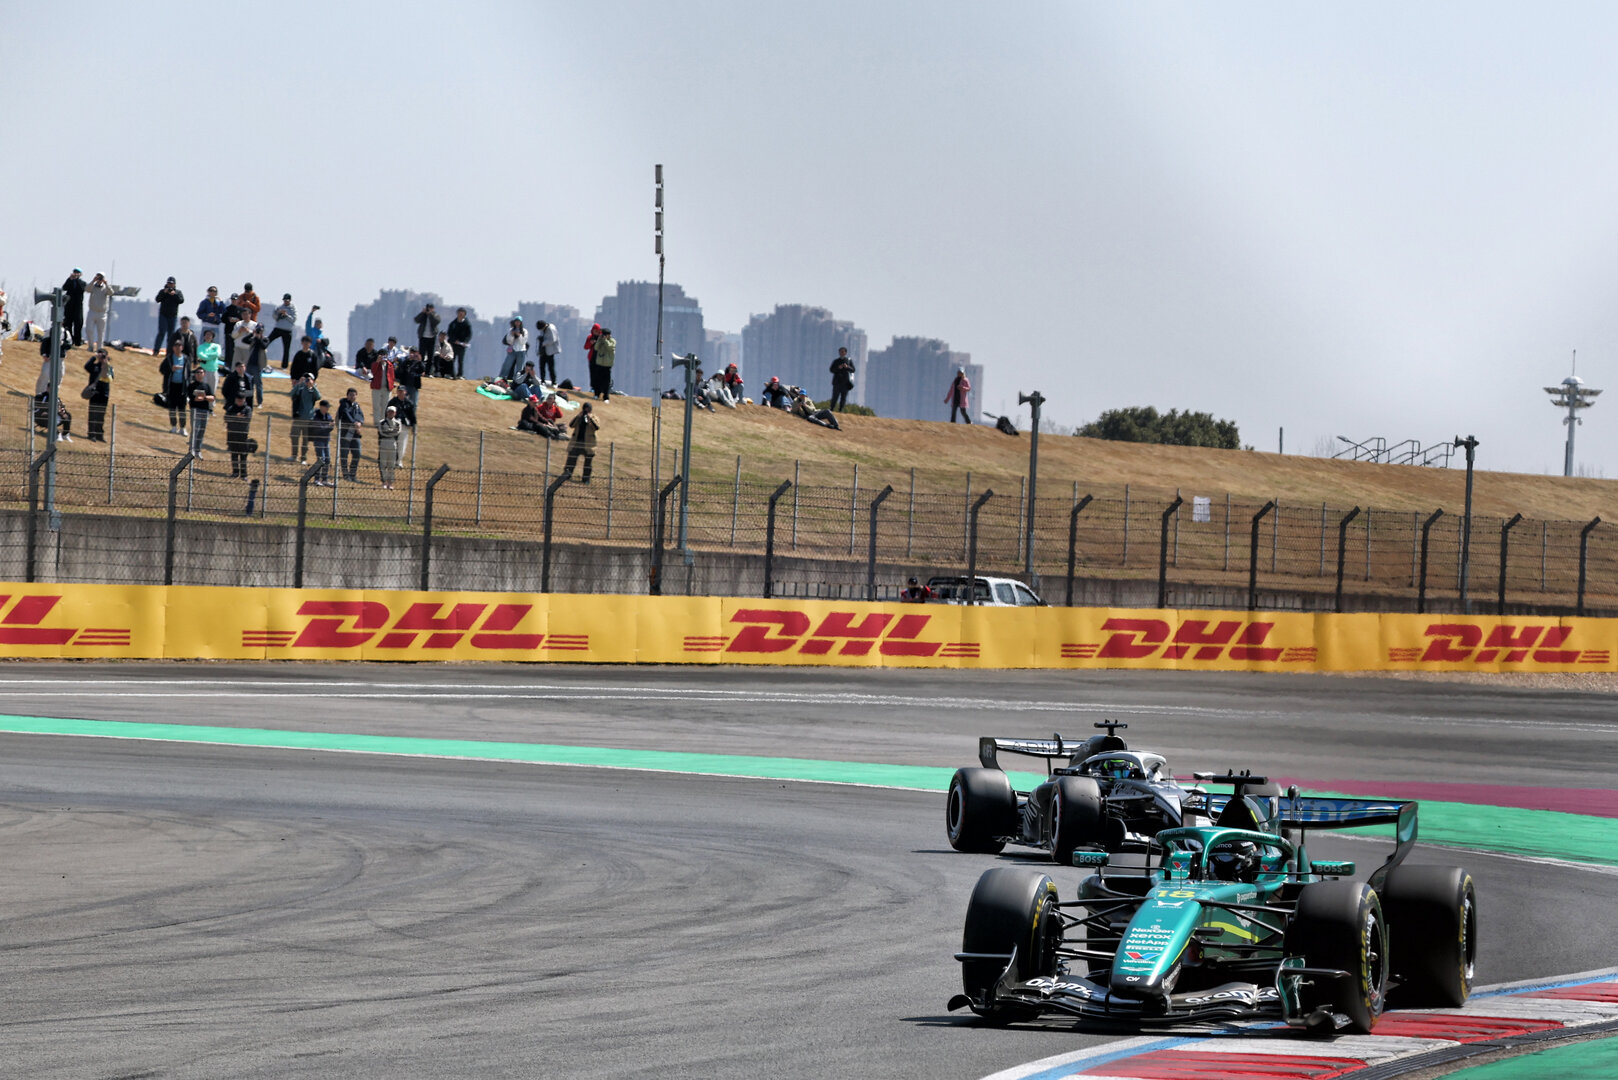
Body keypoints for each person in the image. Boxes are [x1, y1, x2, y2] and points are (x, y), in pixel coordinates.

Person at [559, 401, 599, 482]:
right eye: (585, 409)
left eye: (588, 409)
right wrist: (578, 416)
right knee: (571, 460)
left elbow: (596, 427)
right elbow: (571, 425)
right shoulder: (579, 417)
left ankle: (586, 480)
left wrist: (590, 418)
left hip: (588, 444)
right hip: (576, 442)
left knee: (588, 464)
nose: (586, 411)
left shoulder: (594, 417)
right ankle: (566, 475)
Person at [289, 372, 319, 462]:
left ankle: (303, 458)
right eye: (305, 378)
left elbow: (318, 397)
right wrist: (298, 384)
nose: (306, 380)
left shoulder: (313, 389)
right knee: (294, 436)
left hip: (308, 418)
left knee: (305, 439)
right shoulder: (300, 387)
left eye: (309, 378)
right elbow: (291, 394)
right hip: (298, 417)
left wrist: (312, 386)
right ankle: (294, 455)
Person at [83, 349, 112, 442]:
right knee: (93, 414)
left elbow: (110, 377)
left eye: (103, 355)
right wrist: (94, 357)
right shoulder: (94, 366)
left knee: (101, 415)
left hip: (104, 394)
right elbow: (86, 367)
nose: (101, 357)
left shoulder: (109, 367)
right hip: (94, 393)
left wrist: (106, 363)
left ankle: (99, 434)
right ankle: (91, 434)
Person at [161, 339, 189, 434]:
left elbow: (189, 373)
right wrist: (171, 369)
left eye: (179, 346)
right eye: (176, 346)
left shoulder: (186, 359)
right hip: (172, 386)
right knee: (172, 407)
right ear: (173, 348)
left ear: (182, 347)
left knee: (182, 408)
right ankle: (173, 426)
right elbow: (162, 369)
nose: (177, 348)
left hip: (182, 387)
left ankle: (183, 428)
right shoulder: (169, 358)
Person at [337, 387, 364, 482]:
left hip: (355, 433)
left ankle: (352, 474)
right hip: (346, 433)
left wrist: (359, 423)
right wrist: (354, 423)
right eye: (351, 395)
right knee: (344, 454)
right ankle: (345, 475)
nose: (352, 397)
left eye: (354, 395)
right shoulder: (343, 404)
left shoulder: (357, 406)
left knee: (357, 453)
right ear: (347, 396)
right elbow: (346, 414)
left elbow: (361, 416)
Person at [225, 392, 255, 478]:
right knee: (234, 454)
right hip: (232, 435)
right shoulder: (231, 408)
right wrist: (237, 416)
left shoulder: (247, 409)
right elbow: (226, 418)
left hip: (243, 435)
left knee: (243, 455)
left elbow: (247, 419)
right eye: (238, 400)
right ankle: (235, 472)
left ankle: (243, 474)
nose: (239, 402)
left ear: (244, 400)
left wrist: (235, 418)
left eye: (241, 401)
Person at [187, 366, 215, 457]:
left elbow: (212, 398)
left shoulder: (206, 386)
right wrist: (204, 398)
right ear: (195, 374)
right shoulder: (191, 386)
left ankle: (198, 450)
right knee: (195, 430)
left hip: (205, 410)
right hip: (195, 410)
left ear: (204, 374)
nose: (199, 374)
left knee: (202, 431)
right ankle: (191, 450)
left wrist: (204, 397)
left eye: (201, 372)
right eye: (197, 373)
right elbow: (194, 399)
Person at [153, 277, 184, 355]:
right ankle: (156, 350)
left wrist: (174, 295)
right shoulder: (162, 291)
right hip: (163, 315)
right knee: (161, 332)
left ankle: (169, 352)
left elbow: (181, 300)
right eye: (169, 283)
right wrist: (164, 293)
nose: (170, 285)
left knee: (171, 335)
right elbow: (157, 299)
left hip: (173, 316)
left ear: (174, 284)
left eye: (171, 284)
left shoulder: (178, 292)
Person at [307, 399, 334, 485]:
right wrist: (328, 426)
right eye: (326, 407)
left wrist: (328, 426)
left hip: (326, 440)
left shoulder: (328, 415)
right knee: (321, 459)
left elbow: (330, 426)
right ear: (321, 407)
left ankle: (325, 479)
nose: (328, 408)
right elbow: (319, 428)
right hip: (318, 440)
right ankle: (316, 479)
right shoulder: (316, 416)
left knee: (327, 460)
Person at [386, 384, 416, 464]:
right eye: (399, 391)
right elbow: (387, 413)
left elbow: (412, 416)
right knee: (393, 443)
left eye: (402, 391)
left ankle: (399, 461)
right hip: (393, 425)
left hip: (404, 426)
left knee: (402, 444)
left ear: (405, 392)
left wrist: (413, 426)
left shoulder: (409, 403)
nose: (400, 393)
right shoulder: (392, 402)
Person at [267, 294, 297, 368]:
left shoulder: (293, 308)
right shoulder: (279, 307)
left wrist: (286, 315)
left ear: (290, 300)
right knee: (266, 341)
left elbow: (293, 319)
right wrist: (278, 313)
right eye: (284, 300)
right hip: (278, 328)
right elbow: (274, 317)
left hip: (287, 330)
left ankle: (284, 366)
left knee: (286, 349)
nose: (285, 302)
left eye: (287, 300)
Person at [376, 406, 402, 488]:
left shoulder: (398, 423)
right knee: (383, 464)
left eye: (392, 412)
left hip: (393, 444)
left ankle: (390, 482)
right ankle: (384, 482)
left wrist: (388, 432)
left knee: (392, 465)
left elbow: (397, 432)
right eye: (389, 412)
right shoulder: (381, 422)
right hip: (383, 444)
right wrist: (391, 432)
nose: (391, 413)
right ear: (387, 412)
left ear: (395, 413)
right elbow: (381, 432)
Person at [370, 345, 396, 424]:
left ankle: (383, 422)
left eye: (385, 355)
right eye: (381, 355)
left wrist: (392, 385)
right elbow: (373, 372)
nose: (383, 357)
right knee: (376, 406)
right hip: (377, 388)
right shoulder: (375, 364)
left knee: (385, 406)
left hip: (387, 389)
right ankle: (376, 422)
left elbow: (392, 376)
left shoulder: (390, 365)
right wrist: (377, 362)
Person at [86, 272, 113, 350]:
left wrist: (106, 284)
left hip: (102, 313)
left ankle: (99, 348)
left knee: (100, 332)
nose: (99, 279)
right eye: (98, 277)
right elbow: (87, 289)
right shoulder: (93, 287)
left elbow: (111, 293)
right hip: (92, 311)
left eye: (101, 277)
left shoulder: (105, 288)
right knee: (89, 330)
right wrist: (93, 281)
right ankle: (91, 346)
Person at [60, 269, 87, 346]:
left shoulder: (82, 283)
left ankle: (77, 341)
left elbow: (81, 289)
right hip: (69, 305)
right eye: (75, 272)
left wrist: (76, 279)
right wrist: (70, 279)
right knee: (68, 323)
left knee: (78, 323)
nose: (75, 274)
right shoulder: (70, 281)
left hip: (78, 306)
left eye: (77, 273)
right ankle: (69, 340)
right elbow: (64, 287)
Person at [447, 307, 472, 379]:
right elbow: (450, 333)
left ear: (464, 314)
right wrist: (454, 340)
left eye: (462, 313)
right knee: (452, 359)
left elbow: (469, 334)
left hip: (462, 345)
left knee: (460, 360)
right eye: (459, 312)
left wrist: (465, 342)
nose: (460, 314)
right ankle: (451, 374)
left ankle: (460, 374)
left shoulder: (467, 324)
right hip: (453, 344)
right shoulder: (453, 323)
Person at [591, 326, 615, 400]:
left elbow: (609, 347)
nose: (603, 335)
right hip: (599, 364)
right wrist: (599, 340)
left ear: (608, 335)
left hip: (607, 365)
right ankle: (596, 395)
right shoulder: (600, 340)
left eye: (604, 334)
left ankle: (606, 397)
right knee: (597, 380)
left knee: (606, 382)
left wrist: (605, 340)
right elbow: (596, 348)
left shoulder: (612, 341)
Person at [414, 302, 440, 369]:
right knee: (421, 355)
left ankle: (428, 371)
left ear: (433, 309)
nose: (429, 309)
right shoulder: (423, 315)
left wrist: (430, 314)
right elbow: (416, 320)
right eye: (428, 308)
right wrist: (422, 313)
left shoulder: (435, 315)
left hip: (432, 338)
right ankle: (421, 370)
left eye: (431, 308)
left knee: (430, 356)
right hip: (423, 337)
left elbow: (436, 321)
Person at [829, 347, 855, 411]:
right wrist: (838, 368)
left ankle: (841, 409)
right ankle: (832, 408)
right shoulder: (836, 361)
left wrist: (847, 367)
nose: (841, 353)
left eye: (843, 352)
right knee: (835, 396)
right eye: (840, 352)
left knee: (843, 397)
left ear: (845, 353)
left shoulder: (848, 361)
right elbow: (831, 370)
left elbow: (853, 370)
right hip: (837, 382)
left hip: (845, 383)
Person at [196, 329, 222, 393]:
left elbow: (217, 354)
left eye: (210, 335)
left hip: (214, 370)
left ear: (212, 337)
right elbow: (201, 355)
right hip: (204, 371)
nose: (208, 336)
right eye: (207, 335)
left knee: (212, 390)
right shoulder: (200, 347)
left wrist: (206, 356)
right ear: (204, 336)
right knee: (203, 390)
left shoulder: (217, 346)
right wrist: (211, 356)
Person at [220, 292, 242, 368]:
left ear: (238, 300)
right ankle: (227, 364)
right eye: (232, 299)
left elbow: (243, 320)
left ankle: (236, 364)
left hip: (238, 333)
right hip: (228, 331)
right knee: (228, 349)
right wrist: (229, 319)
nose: (234, 301)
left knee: (236, 349)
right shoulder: (227, 309)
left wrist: (237, 320)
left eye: (235, 299)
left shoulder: (241, 310)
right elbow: (222, 319)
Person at [537, 319, 558, 383]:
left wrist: (543, 343)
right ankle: (542, 380)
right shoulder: (543, 330)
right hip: (543, 351)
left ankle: (553, 381)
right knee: (542, 366)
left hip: (550, 351)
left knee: (551, 367)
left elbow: (553, 339)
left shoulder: (550, 329)